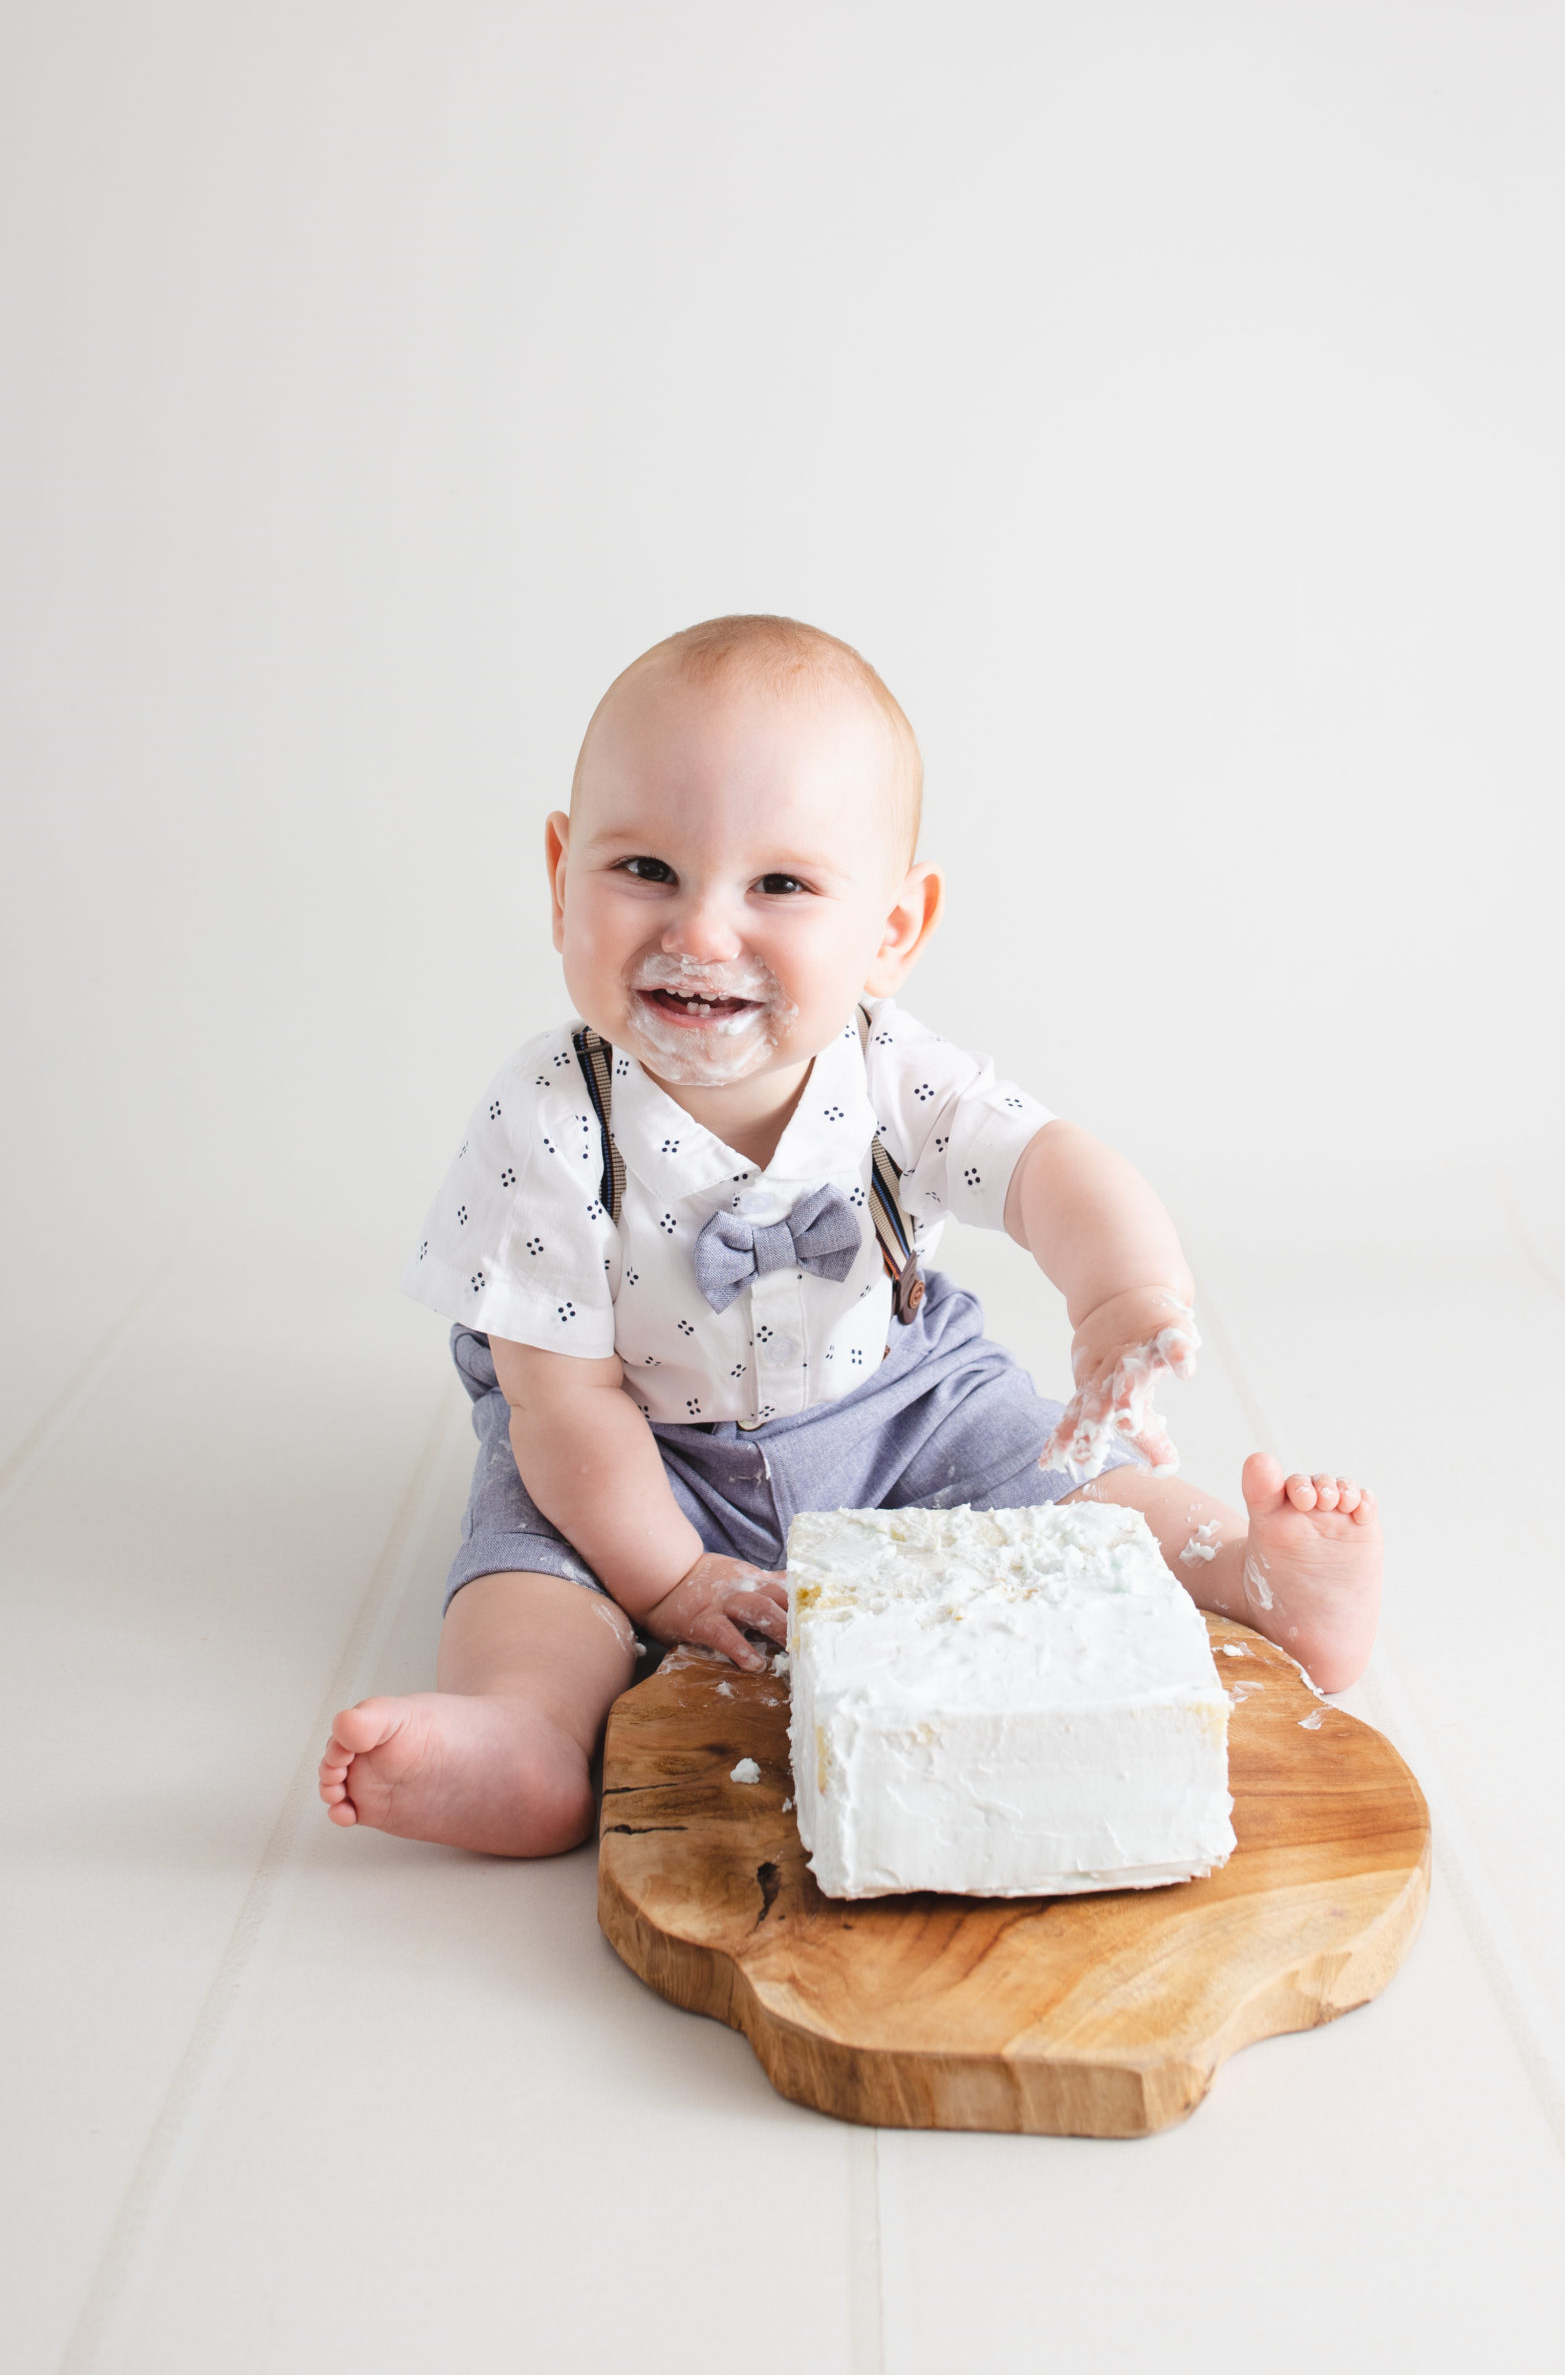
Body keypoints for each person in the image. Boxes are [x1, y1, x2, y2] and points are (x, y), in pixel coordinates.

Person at [319, 615, 1381, 1855]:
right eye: (644, 870)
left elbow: (1050, 1171)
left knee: (1063, 1482)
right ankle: (525, 1738)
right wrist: (664, 1576)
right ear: (561, 876)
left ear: (890, 929)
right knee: (530, 1577)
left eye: (778, 884)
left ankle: (1250, 1572)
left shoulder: (891, 1069)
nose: (702, 931)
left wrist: (1122, 1299)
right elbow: (563, 1406)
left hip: (893, 1406)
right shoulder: (547, 1121)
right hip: (631, 1454)